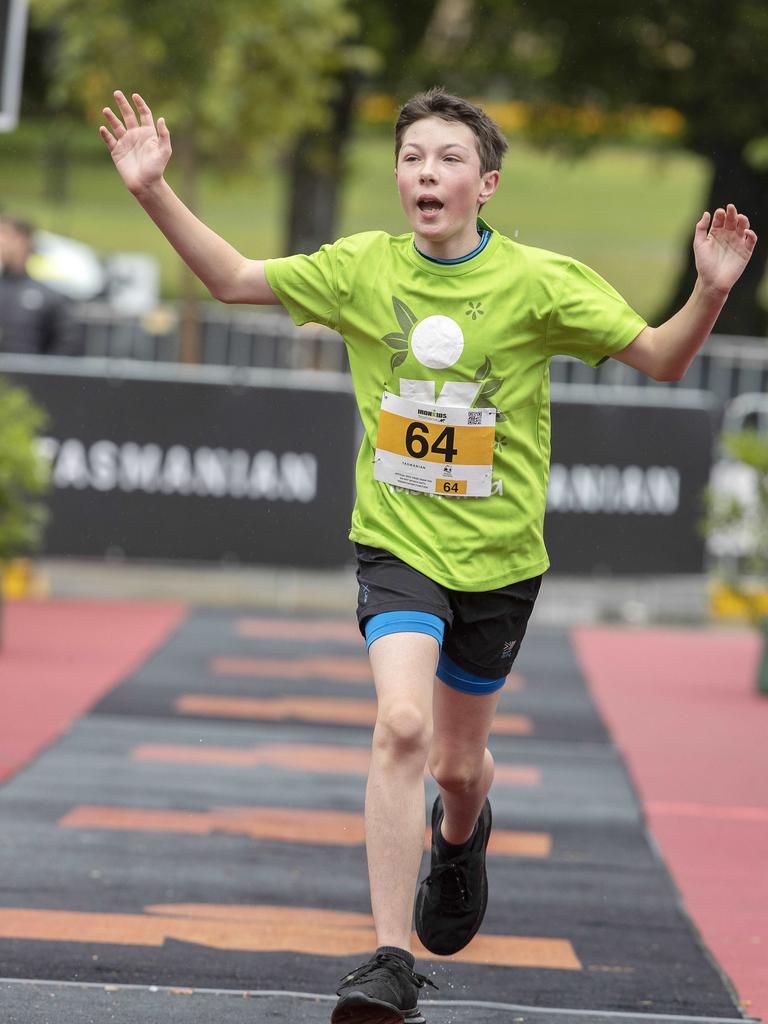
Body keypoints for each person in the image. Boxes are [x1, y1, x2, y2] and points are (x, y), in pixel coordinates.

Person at [100, 88, 757, 1024]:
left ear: (486, 184)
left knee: (457, 766)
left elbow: (661, 359)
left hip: (498, 562)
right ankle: (387, 960)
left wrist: (710, 290)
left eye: (448, 159)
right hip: (397, 545)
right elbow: (233, 278)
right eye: (412, 157)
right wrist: (152, 191)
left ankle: (462, 834)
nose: (426, 173)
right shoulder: (362, 269)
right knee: (399, 725)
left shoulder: (539, 281)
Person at [0, 216, 78, 355]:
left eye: (5, 234)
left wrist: (43, 372)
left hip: (27, 372)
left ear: (23, 240)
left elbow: (66, 342)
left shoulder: (48, 295)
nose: (1, 242)